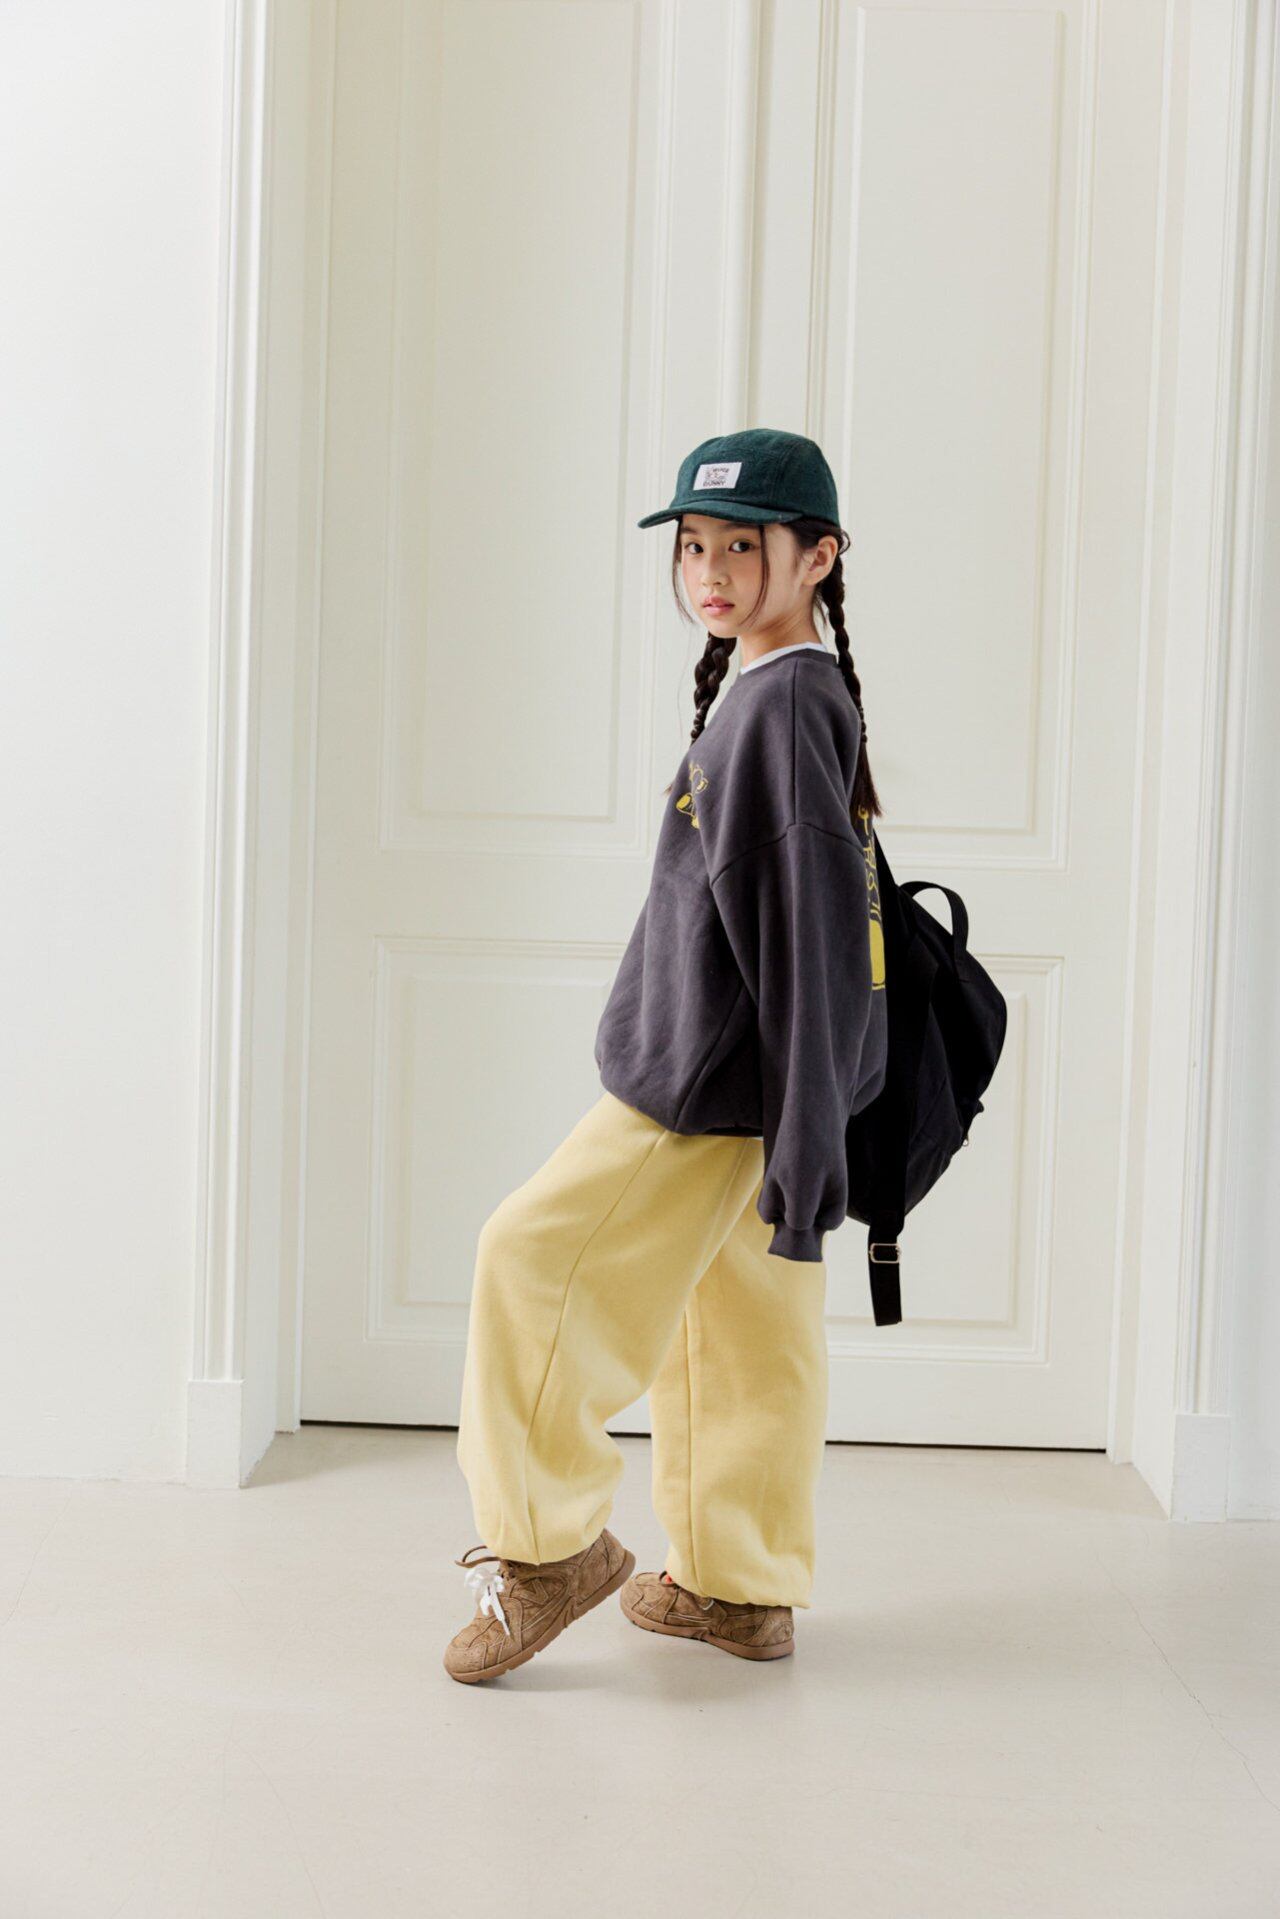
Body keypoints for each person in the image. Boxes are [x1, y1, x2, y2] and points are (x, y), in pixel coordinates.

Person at [444, 427, 887, 1684]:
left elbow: (809, 941)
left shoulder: (782, 707)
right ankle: (738, 1585)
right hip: (756, 1089)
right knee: (740, 1330)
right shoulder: (790, 690)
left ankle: (544, 1550)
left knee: (526, 1257)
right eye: (693, 546)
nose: (710, 572)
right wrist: (804, 1128)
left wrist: (806, 1138)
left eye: (742, 547)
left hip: (703, 1088)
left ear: (818, 557)